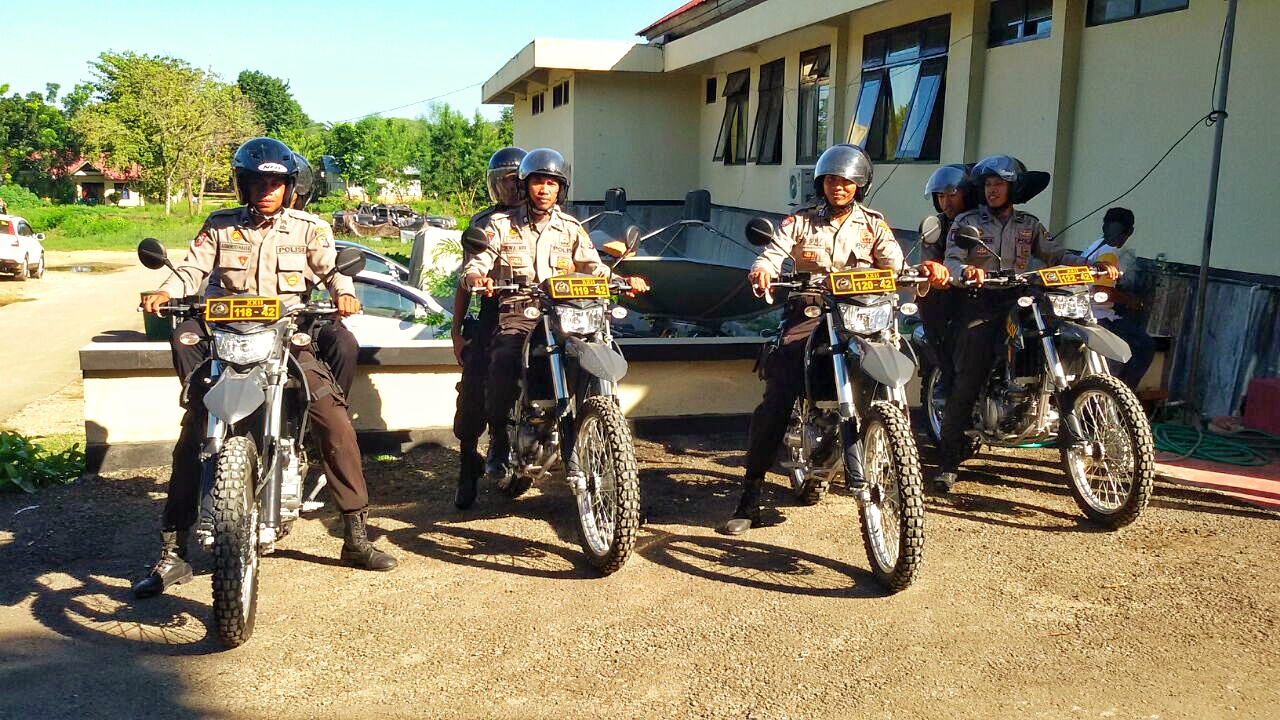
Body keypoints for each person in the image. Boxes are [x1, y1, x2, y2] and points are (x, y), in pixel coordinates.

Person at [133, 137, 396, 599]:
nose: (267, 189)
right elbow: (191, 270)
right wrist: (163, 290)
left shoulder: (310, 228)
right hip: (228, 338)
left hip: (287, 336)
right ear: (243, 185)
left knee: (333, 419)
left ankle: (355, 535)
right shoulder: (218, 227)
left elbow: (333, 269)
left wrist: (343, 292)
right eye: (258, 181)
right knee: (194, 429)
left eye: (276, 182)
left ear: (289, 186)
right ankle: (172, 551)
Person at [719, 144, 951, 535]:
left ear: (860, 185)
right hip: (810, 311)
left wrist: (925, 271)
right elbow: (773, 253)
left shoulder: (874, 224)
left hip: (862, 312)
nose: (838, 187)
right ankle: (751, 493)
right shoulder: (800, 222)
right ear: (821, 183)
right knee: (779, 391)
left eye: (846, 181)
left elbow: (896, 265)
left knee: (887, 364)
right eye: (831, 180)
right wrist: (762, 270)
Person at [932, 154, 1118, 493]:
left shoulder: (1029, 224)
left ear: (1013, 188)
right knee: (970, 374)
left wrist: (1094, 267)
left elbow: (1057, 255)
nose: (992, 190)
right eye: (988, 184)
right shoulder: (968, 222)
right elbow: (953, 261)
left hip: (1022, 297)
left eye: (999, 184)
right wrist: (968, 273)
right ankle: (947, 461)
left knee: (1058, 336)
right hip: (981, 299)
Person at [461, 147, 648, 484]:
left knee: (591, 345)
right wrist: (479, 278)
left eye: (551, 182)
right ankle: (499, 442)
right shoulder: (500, 225)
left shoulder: (571, 228)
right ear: (526, 185)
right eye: (537, 182)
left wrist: (624, 280)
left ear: (560, 188)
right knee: (503, 357)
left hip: (563, 311)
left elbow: (595, 268)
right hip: (519, 309)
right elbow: (477, 263)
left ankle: (592, 421)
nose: (544, 189)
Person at [451, 146, 526, 509]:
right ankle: (468, 462)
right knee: (473, 391)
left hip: (541, 314)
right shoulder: (486, 224)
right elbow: (465, 278)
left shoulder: (552, 219)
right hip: (495, 313)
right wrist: (456, 330)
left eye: (515, 181)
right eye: (503, 182)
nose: (510, 189)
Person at [1079, 207, 1154, 389]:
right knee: (1144, 345)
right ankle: (1124, 391)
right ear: (1129, 233)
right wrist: (1133, 302)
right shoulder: (1110, 253)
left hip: (1082, 309)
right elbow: (1103, 294)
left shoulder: (1094, 245)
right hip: (1099, 317)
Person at [917, 163, 975, 392]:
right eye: (940, 196)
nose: (946, 202)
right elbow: (929, 261)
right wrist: (937, 272)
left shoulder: (983, 221)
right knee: (933, 304)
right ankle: (947, 376)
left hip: (985, 289)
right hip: (949, 291)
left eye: (952, 195)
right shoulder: (936, 225)